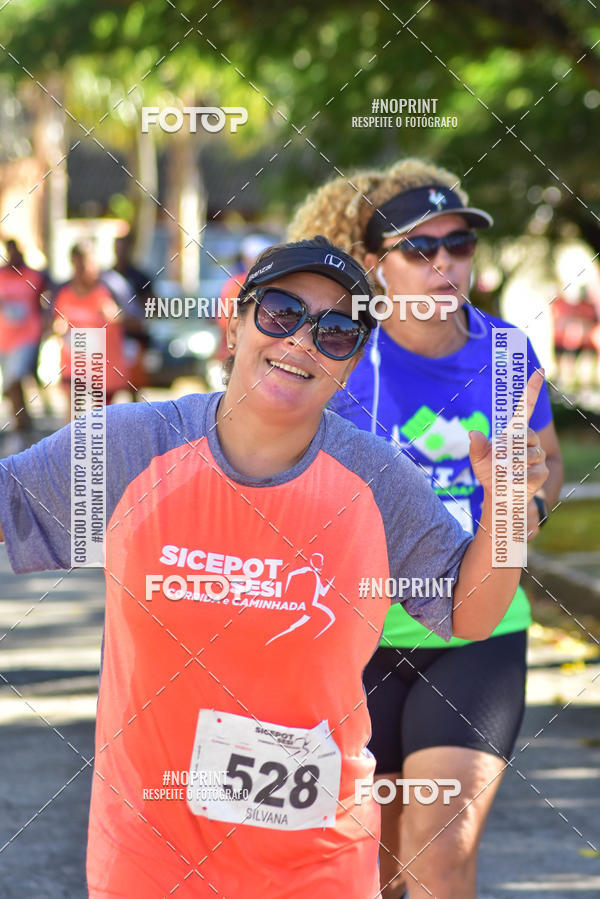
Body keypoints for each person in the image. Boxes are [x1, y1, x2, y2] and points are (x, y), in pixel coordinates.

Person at [0, 236, 549, 898]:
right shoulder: (133, 448)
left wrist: (508, 514)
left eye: (338, 330)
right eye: (281, 312)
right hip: (149, 858)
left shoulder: (377, 479)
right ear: (236, 322)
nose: (303, 340)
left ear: (351, 362)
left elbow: (470, 611)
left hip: (317, 863)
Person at [289, 165, 563, 899]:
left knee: (438, 860)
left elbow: (550, 466)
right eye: (421, 249)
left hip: (477, 632)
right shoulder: (342, 357)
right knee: (370, 870)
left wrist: (520, 509)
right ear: (376, 265)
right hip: (359, 636)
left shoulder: (507, 353)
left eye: (459, 244)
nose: (445, 262)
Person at [52, 241, 130, 417]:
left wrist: (115, 315)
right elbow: (57, 322)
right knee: (75, 423)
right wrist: (58, 328)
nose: (82, 272)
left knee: (99, 426)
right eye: (78, 267)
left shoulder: (113, 286)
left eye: (86, 266)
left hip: (104, 371)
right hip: (74, 367)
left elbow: (135, 320)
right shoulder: (63, 291)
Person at [0, 238, 48, 433]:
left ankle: (21, 422)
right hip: (5, 338)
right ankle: (22, 417)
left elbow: (46, 301)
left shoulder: (35, 277)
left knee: (15, 377)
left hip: (28, 336)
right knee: (14, 380)